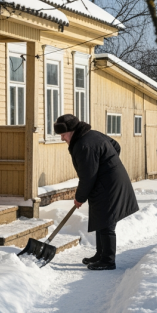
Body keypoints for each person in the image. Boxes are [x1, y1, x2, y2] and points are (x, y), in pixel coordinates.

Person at [54, 114, 139, 270]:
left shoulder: (83, 145)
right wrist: (107, 164)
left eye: (63, 135)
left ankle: (108, 260)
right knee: (101, 217)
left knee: (107, 222)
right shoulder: (92, 134)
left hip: (109, 184)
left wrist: (79, 197)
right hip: (107, 181)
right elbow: (115, 145)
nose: (62, 139)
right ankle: (101, 254)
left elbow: (87, 176)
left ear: (71, 131)